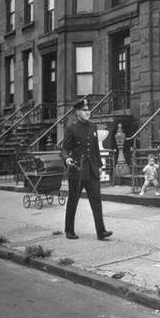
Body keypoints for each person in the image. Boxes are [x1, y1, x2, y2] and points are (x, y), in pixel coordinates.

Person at [60, 98, 113, 241]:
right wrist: (67, 159)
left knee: (96, 201)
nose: (88, 112)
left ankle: (101, 231)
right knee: (73, 201)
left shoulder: (93, 126)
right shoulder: (71, 129)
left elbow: (95, 149)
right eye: (84, 110)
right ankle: (69, 230)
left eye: (89, 109)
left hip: (92, 170)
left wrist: (100, 167)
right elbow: (64, 149)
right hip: (77, 170)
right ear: (78, 112)